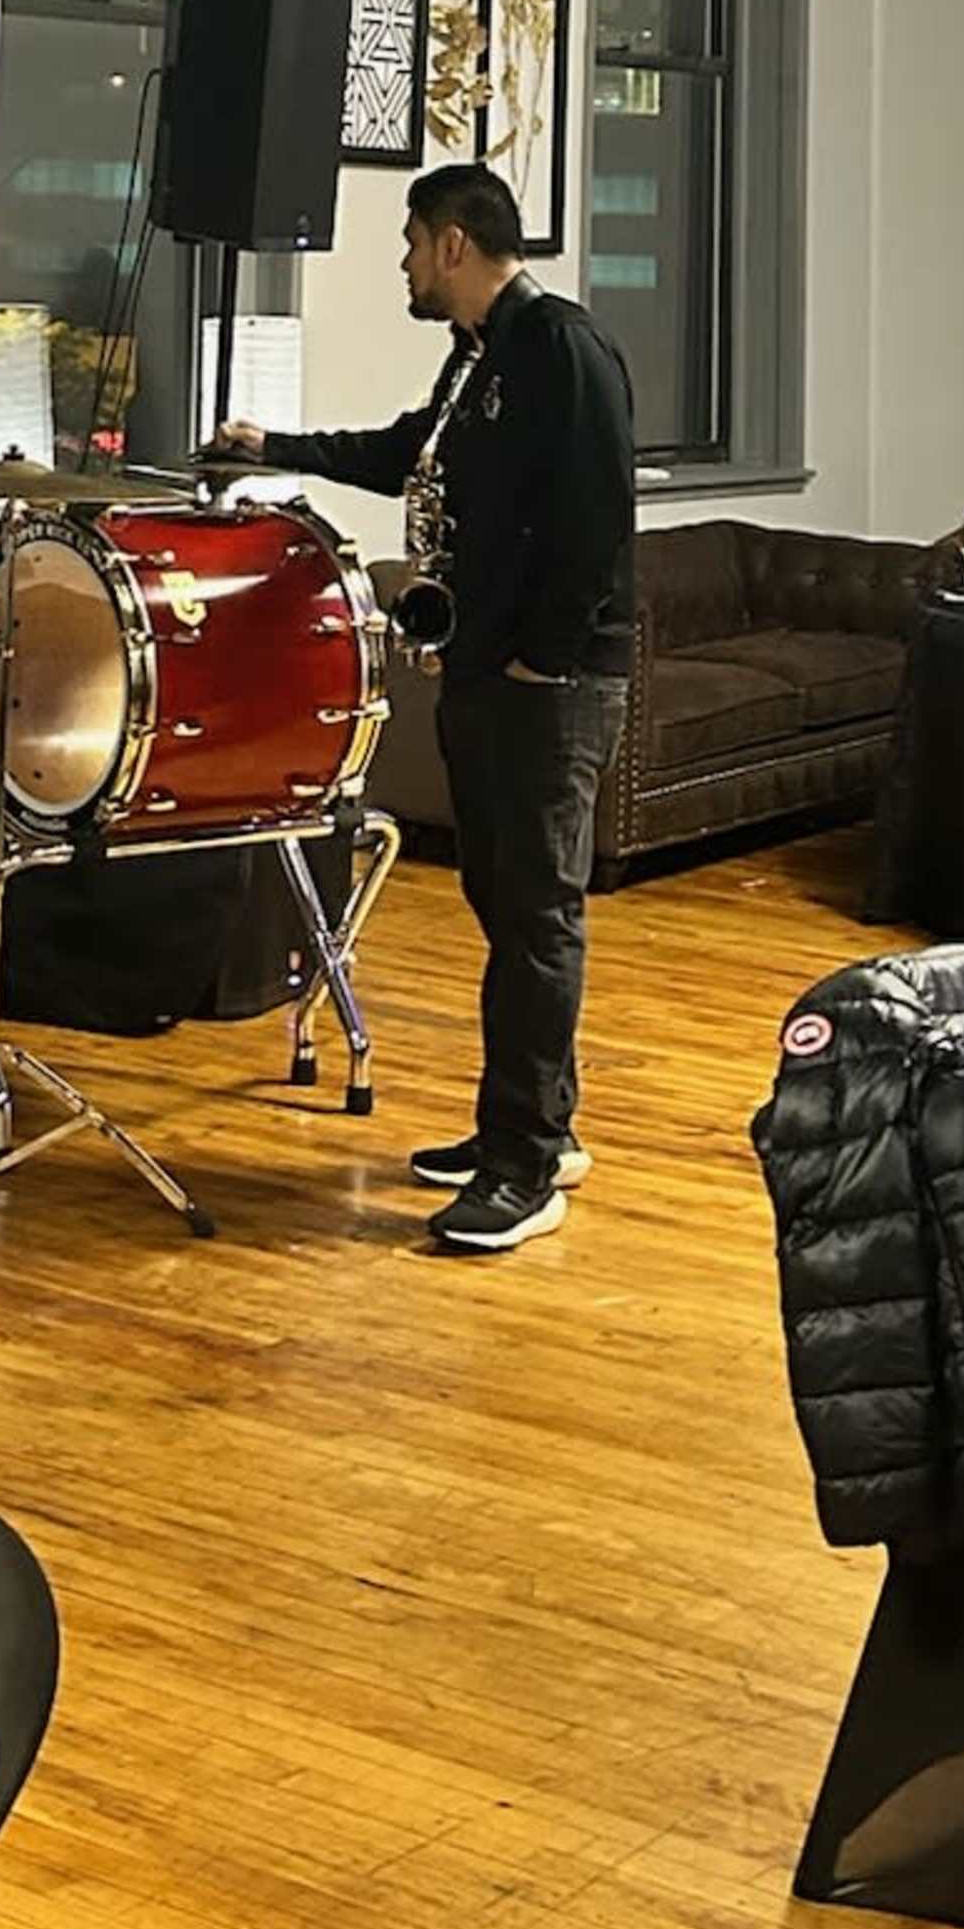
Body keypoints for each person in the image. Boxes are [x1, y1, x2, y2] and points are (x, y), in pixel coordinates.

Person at [208, 162, 635, 1258]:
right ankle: (536, 1125)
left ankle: (523, 1168)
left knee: (536, 918)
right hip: (485, 671)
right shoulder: (474, 354)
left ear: (453, 242)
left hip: (549, 685)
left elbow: (597, 520)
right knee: (506, 906)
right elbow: (407, 451)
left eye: (408, 243)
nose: (402, 266)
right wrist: (278, 450)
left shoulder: (561, 347)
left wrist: (539, 659)